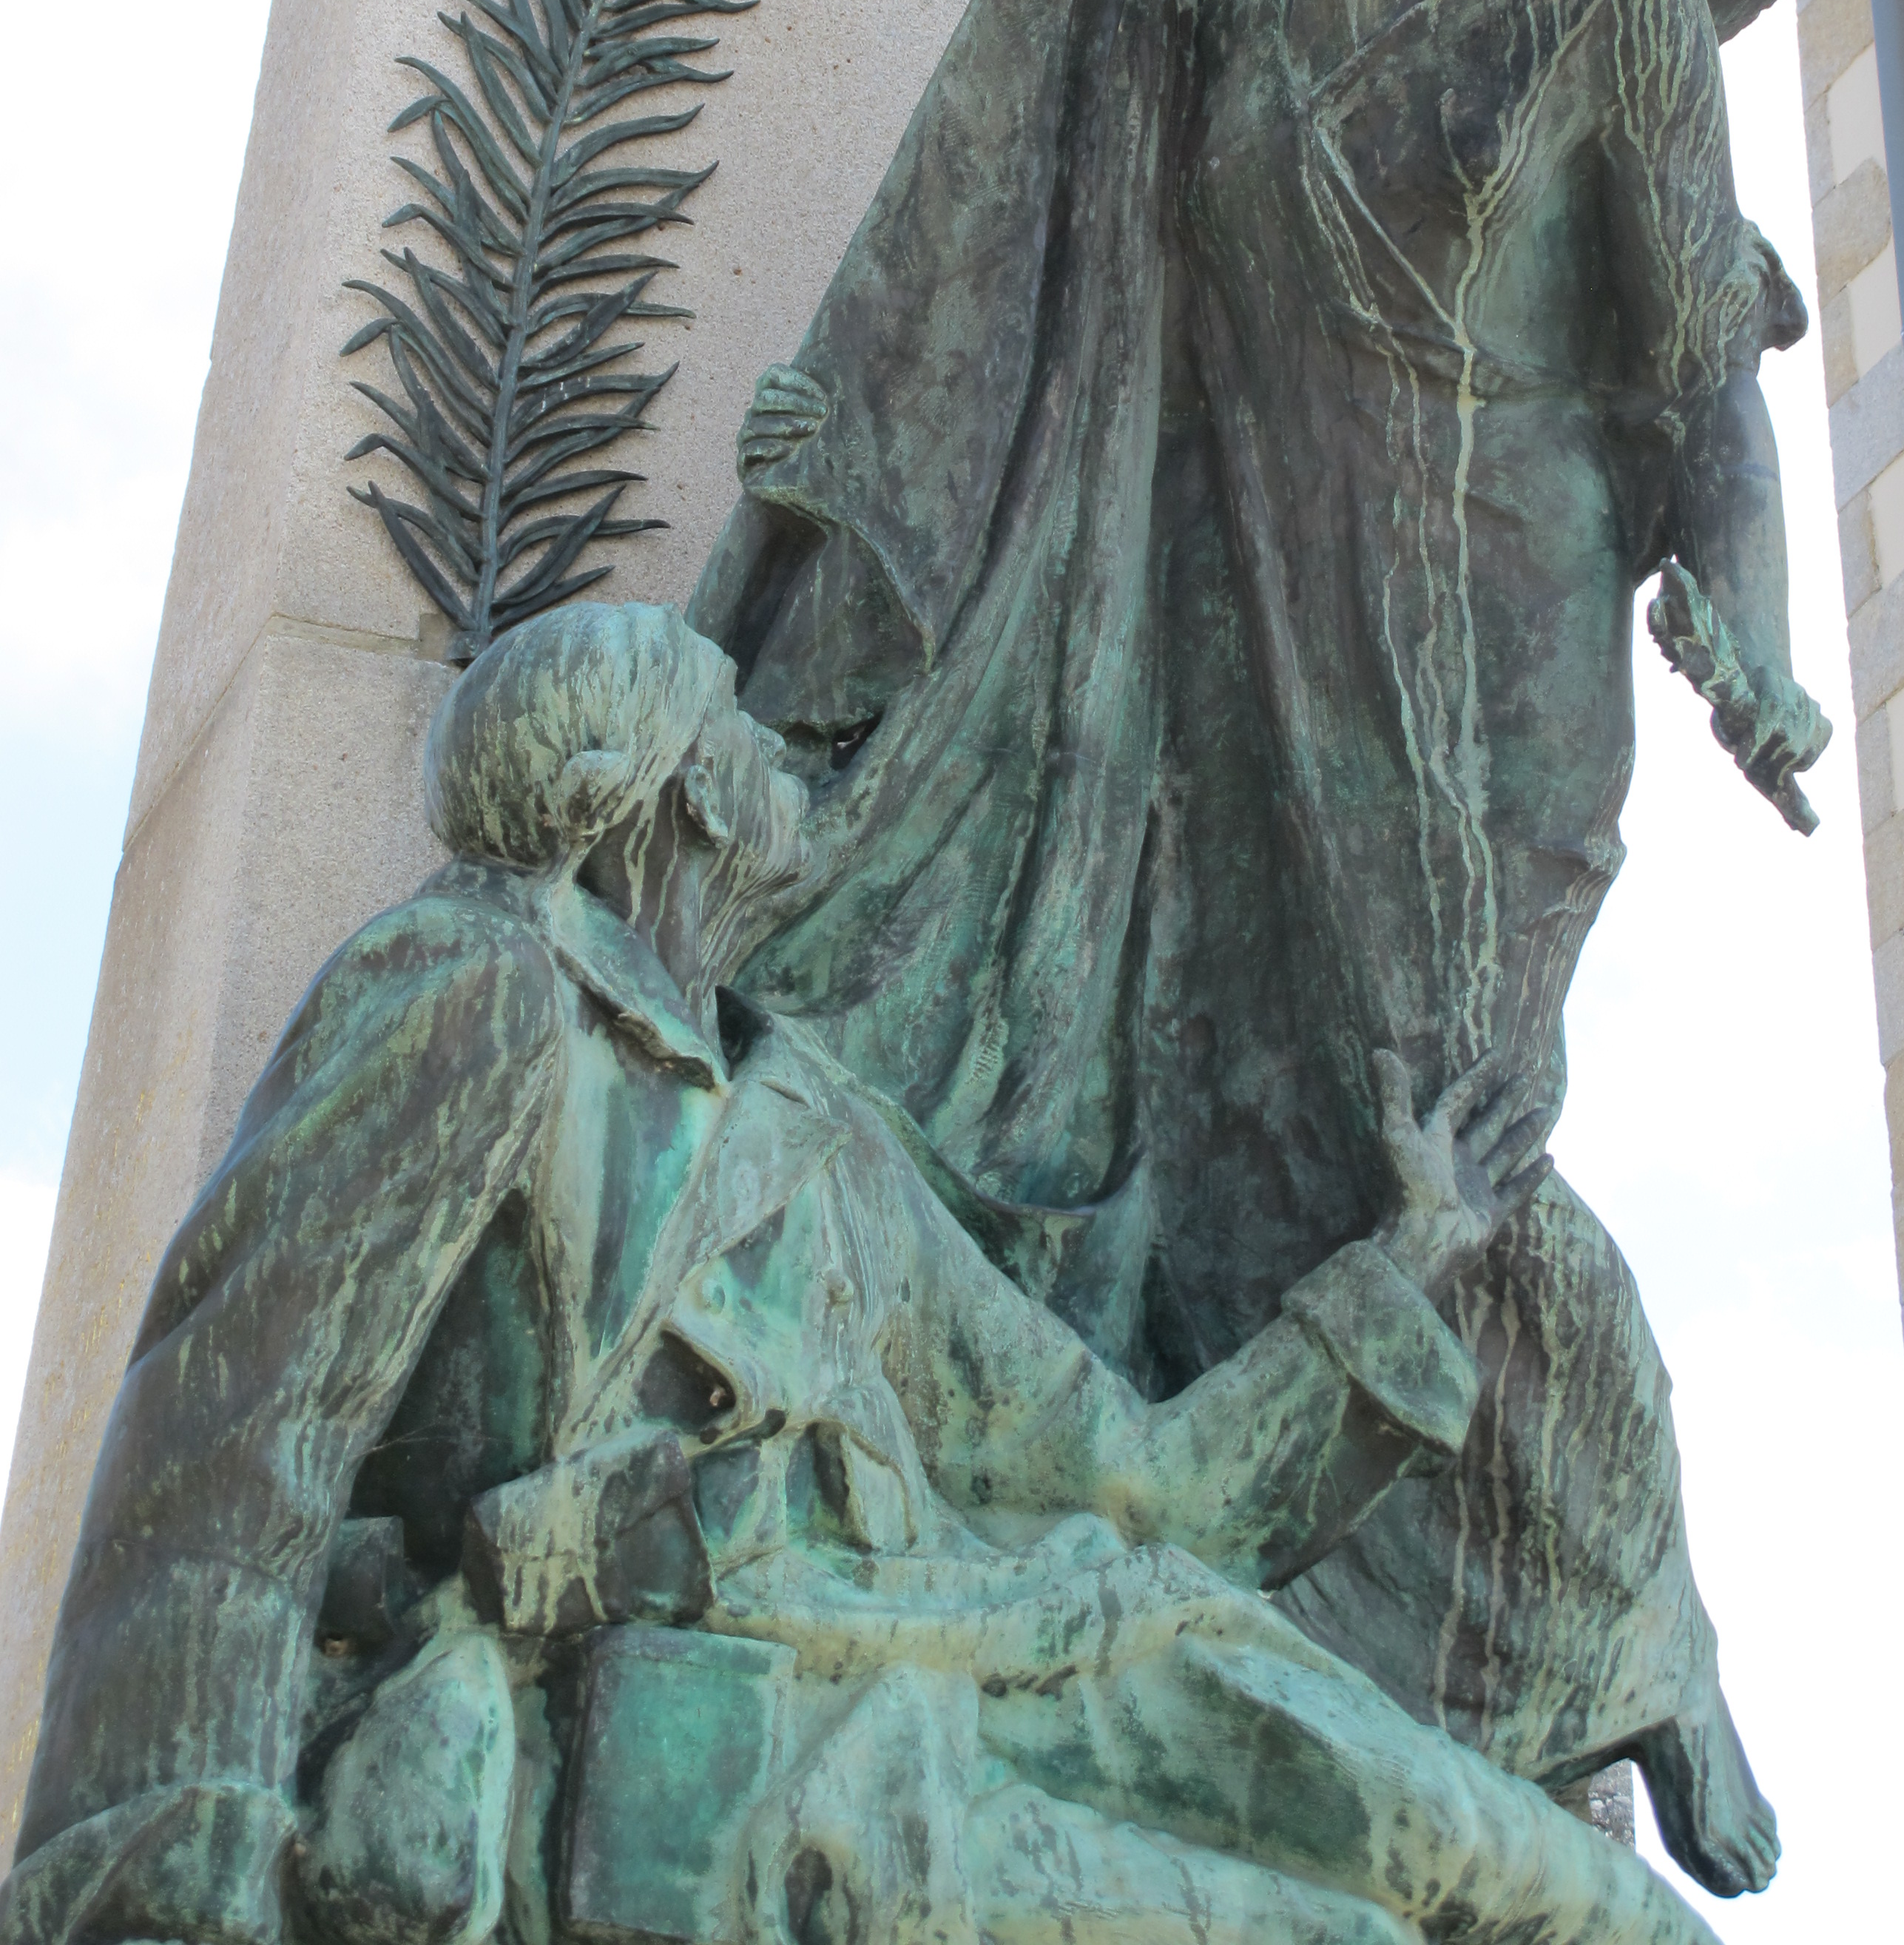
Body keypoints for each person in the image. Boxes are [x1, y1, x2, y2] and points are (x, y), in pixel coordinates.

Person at [696, 0, 1817, 1893]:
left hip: (1498, 638)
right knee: (1256, 1121)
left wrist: (1758, 630)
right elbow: (1087, 269)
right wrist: (888, 456)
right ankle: (1290, 1664)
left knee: (1455, 1128)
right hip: (1244, 602)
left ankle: (1612, 1632)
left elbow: (1700, 368)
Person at [2, 604, 1726, 1945]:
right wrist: (154, 1862)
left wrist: (1411, 1258)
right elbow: (237, 1427)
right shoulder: (479, 987)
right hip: (748, 1737)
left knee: (1575, 1899)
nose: (786, 765)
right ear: (677, 793)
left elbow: (1132, 1476)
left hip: (1008, 1654)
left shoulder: (816, 1124)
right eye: (744, 732)